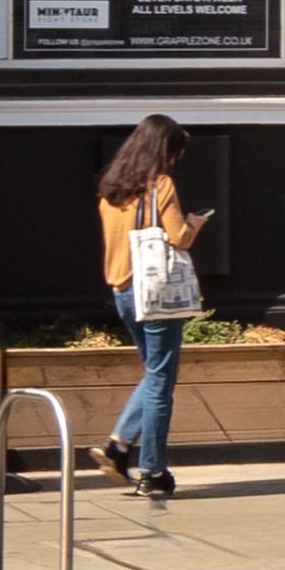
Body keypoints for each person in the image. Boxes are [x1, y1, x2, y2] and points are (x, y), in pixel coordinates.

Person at [94, 115, 200, 508]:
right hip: (156, 294)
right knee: (161, 382)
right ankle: (152, 471)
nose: (177, 159)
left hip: (122, 291)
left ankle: (119, 446)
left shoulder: (110, 191)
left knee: (155, 374)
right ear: (163, 150)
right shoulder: (162, 186)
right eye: (176, 151)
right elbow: (178, 237)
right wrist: (195, 224)